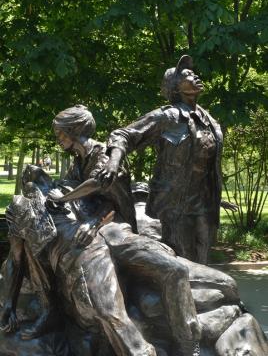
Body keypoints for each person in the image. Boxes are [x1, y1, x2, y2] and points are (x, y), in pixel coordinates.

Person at [1, 105, 201, 356]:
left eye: (60, 133)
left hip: (118, 229)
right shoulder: (76, 163)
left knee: (176, 269)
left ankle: (188, 341)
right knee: (107, 309)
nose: (58, 139)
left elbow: (102, 190)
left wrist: (87, 217)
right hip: (93, 239)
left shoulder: (105, 155)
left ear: (73, 130)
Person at [98, 55, 224, 265]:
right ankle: (181, 296)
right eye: (187, 75)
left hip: (204, 200)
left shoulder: (209, 120)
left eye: (194, 73)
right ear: (175, 87)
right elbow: (123, 135)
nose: (195, 76)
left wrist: (215, 192)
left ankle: (202, 295)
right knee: (184, 257)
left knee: (203, 253)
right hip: (174, 202)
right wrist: (113, 162)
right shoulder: (168, 117)